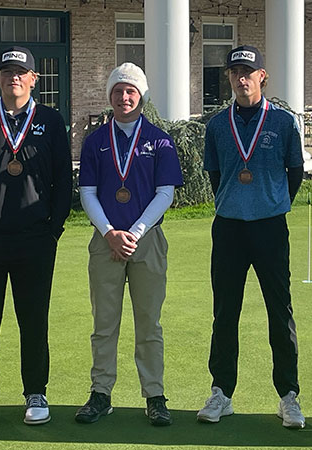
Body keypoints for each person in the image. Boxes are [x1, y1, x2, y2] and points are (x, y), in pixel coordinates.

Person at [0, 46, 72, 426]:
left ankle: (36, 391)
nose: (13, 78)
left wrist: (52, 230)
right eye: (6, 72)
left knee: (33, 319)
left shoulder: (51, 121)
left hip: (35, 240)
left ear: (34, 79)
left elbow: (63, 179)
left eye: (21, 72)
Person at [197, 45, 306, 429]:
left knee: (280, 311)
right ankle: (221, 392)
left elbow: (294, 173)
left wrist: (269, 202)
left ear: (262, 76)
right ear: (228, 77)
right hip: (228, 227)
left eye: (248, 71)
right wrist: (239, 201)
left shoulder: (284, 122)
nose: (241, 78)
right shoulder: (216, 125)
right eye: (234, 72)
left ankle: (288, 395)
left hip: (270, 226)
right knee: (225, 312)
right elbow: (215, 175)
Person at [74, 62, 183, 426]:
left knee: (149, 325)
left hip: (146, 241)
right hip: (105, 241)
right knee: (104, 324)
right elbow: (87, 192)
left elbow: (165, 193)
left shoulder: (160, 140)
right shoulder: (95, 141)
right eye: (118, 90)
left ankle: (154, 395)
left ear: (142, 96)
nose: (124, 97)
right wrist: (109, 233)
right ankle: (101, 393)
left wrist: (133, 233)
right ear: (110, 96)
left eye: (131, 91)